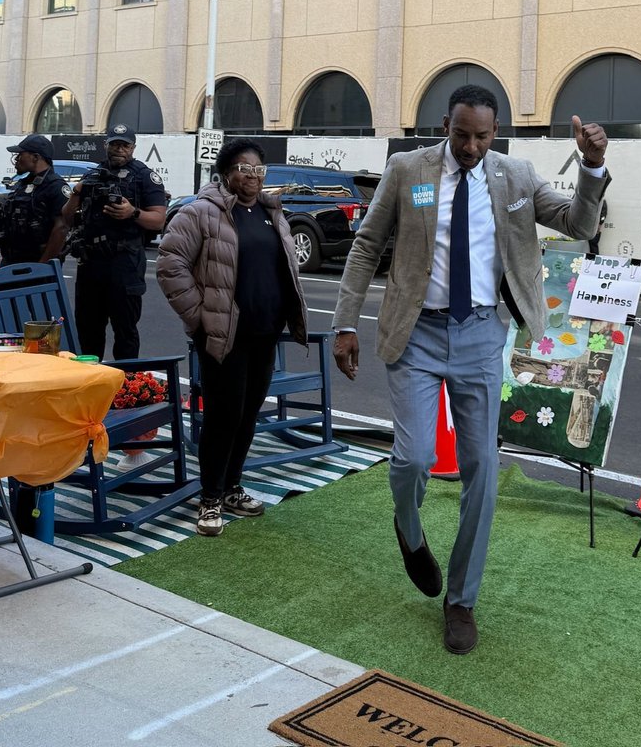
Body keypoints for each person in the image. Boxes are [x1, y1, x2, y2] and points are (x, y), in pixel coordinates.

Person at [333, 84, 609, 654]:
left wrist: (593, 165)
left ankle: (461, 600)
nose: (471, 146)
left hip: (482, 335)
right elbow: (365, 247)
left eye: (482, 136)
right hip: (415, 332)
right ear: (445, 125)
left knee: (482, 469)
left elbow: (579, 226)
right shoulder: (407, 169)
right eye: (462, 134)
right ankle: (409, 532)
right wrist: (343, 323)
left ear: (495, 132)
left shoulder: (516, 175)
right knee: (412, 459)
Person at [156, 137, 308, 537]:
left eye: (258, 169)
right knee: (223, 416)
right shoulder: (201, 213)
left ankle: (232, 487)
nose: (252, 176)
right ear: (226, 174)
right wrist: (200, 318)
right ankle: (209, 497)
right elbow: (170, 264)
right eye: (244, 168)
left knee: (247, 414)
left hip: (264, 332)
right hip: (225, 335)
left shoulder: (271, 213)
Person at [62, 125, 166, 361]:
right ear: (105, 145)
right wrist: (76, 192)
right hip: (91, 263)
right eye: (114, 144)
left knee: (125, 332)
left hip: (124, 263)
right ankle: (91, 389)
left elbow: (159, 220)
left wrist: (133, 213)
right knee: (88, 332)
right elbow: (67, 217)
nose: (119, 149)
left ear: (133, 148)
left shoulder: (144, 176)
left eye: (124, 145)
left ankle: (125, 389)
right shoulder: (92, 174)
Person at [0, 134, 70, 266]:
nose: (17, 158)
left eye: (21, 154)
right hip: (12, 260)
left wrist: (44, 264)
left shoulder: (55, 186)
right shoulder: (22, 184)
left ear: (36, 157)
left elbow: (62, 228)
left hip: (36, 263)